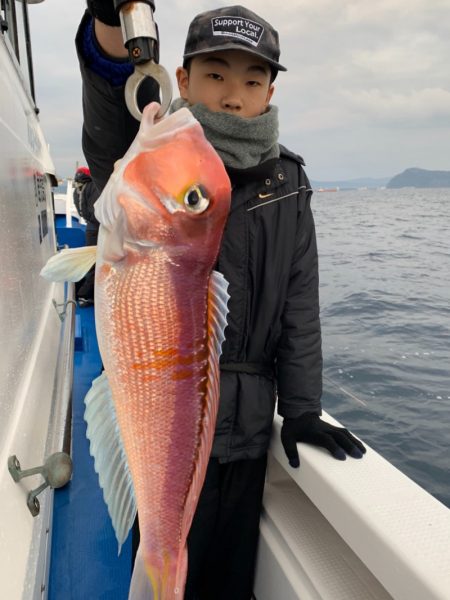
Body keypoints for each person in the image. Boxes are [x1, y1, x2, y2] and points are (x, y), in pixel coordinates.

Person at [76, 3, 366, 598]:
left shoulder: (289, 182)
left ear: (271, 90)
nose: (234, 95)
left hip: (251, 425)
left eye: (252, 79)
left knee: (226, 581)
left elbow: (298, 302)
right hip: (166, 414)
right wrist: (112, 26)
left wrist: (304, 406)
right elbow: (110, 99)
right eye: (215, 74)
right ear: (180, 80)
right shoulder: (152, 153)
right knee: (160, 545)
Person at [73, 166, 100, 306]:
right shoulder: (93, 187)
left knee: (92, 262)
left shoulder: (77, 190)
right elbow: (97, 212)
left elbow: (84, 211)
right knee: (97, 264)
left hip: (90, 228)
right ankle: (85, 294)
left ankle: (87, 294)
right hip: (98, 229)